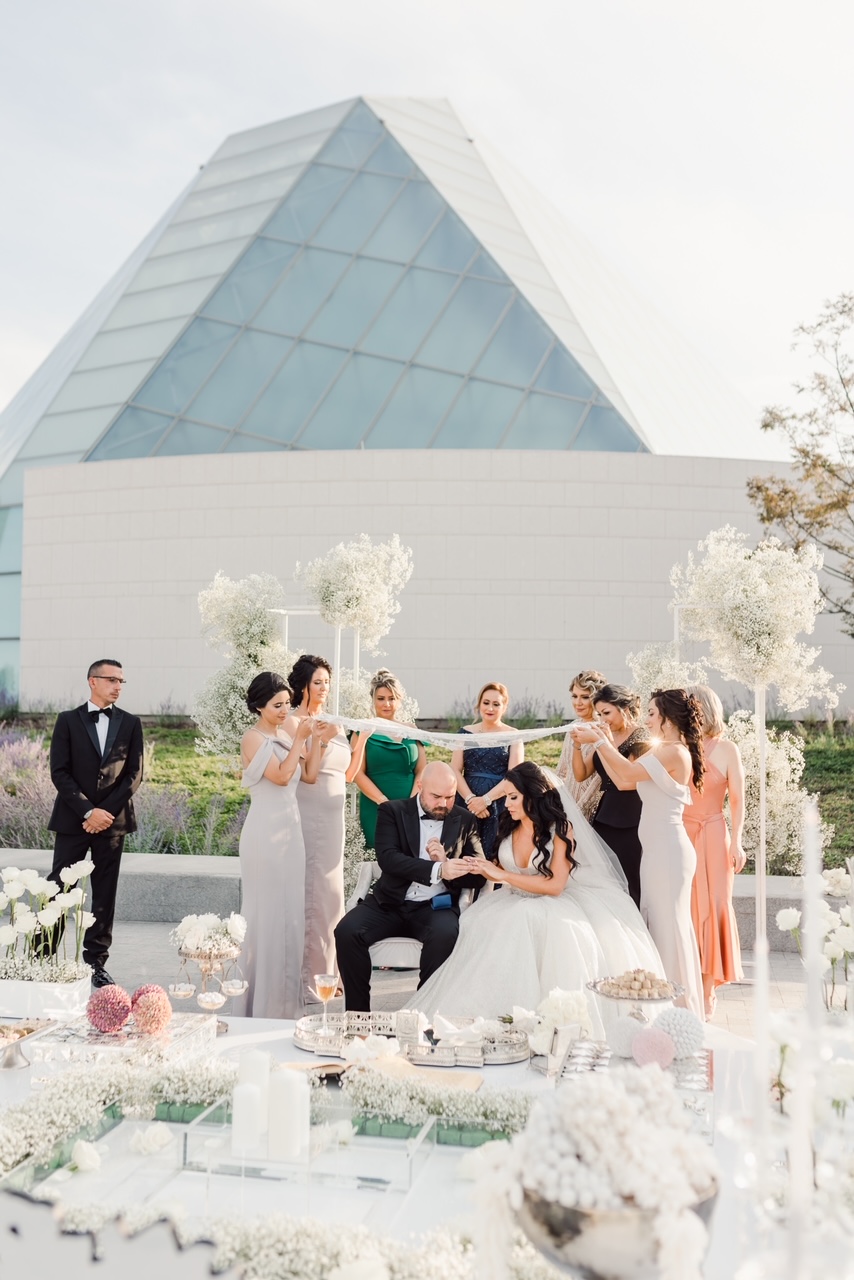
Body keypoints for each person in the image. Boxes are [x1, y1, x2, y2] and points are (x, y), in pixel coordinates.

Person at [409, 762, 664, 1033]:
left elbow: (555, 885)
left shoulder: (561, 830)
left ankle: (536, 1022)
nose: (506, 804)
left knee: (525, 918)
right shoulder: (508, 826)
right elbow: (495, 872)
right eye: (506, 797)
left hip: (553, 903)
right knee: (476, 923)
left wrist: (502, 876)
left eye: (513, 797)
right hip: (511, 900)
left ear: (533, 796)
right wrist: (453, 862)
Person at [576, 689, 704, 1019]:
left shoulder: (674, 752)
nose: (645, 719)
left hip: (668, 853)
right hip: (657, 851)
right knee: (657, 924)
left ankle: (679, 1009)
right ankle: (661, 1002)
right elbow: (622, 780)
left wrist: (601, 740)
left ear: (668, 718)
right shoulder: (666, 751)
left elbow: (629, 773)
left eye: (651, 713)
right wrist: (604, 739)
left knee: (669, 927)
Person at [334, 762, 486, 1012]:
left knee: (445, 935)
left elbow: (478, 875)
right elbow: (388, 858)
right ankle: (358, 1017)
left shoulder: (465, 820)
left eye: (450, 797)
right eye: (436, 796)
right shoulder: (393, 811)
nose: (443, 804)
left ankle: (421, 1016)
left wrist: (446, 863)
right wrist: (436, 870)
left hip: (435, 908)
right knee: (347, 932)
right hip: (388, 903)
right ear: (419, 786)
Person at [48, 659, 144, 988]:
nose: (118, 685)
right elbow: (59, 771)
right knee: (60, 886)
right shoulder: (67, 721)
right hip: (74, 820)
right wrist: (88, 811)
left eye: (122, 681)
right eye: (112, 679)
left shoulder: (131, 723)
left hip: (113, 824)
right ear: (92, 681)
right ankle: (44, 953)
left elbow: (134, 774)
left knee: (104, 894)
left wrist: (104, 813)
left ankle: (96, 964)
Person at [285, 654, 369, 999]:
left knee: (333, 897)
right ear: (302, 685)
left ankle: (329, 975)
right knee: (315, 893)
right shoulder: (294, 722)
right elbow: (310, 773)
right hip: (312, 808)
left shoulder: (330, 720)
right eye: (317, 682)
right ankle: (310, 977)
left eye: (327, 683)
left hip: (335, 816)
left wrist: (359, 739)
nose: (323, 689)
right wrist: (323, 737)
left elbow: (348, 775)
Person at [237, 671, 319, 1020]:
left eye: (288, 703)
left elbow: (310, 776)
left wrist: (319, 741)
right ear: (259, 706)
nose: (285, 710)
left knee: (291, 915)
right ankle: (258, 1002)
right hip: (264, 836)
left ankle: (287, 1003)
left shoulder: (287, 733)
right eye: (278, 705)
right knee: (266, 916)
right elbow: (282, 776)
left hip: (291, 833)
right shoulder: (252, 739)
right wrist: (300, 737)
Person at [684, 684, 745, 1019]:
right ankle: (689, 987)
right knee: (688, 911)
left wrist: (737, 840)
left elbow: (737, 800)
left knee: (717, 907)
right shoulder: (677, 745)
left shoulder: (727, 749)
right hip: (681, 832)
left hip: (714, 832)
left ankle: (708, 991)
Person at [573, 683, 650, 907]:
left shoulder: (641, 737)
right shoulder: (605, 737)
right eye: (599, 714)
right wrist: (577, 746)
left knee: (628, 878)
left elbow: (628, 779)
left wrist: (602, 741)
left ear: (624, 709)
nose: (602, 719)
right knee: (603, 879)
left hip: (630, 816)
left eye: (606, 713)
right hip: (604, 815)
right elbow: (581, 774)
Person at [352, 670, 426, 850]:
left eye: (392, 698)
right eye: (381, 698)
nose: (386, 704)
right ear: (373, 700)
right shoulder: (362, 729)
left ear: (399, 700)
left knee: (409, 855)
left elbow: (422, 770)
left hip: (410, 807)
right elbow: (357, 774)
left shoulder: (411, 729)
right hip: (376, 807)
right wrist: (384, 803)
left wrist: (411, 804)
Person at [450, 681, 523, 857]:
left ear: (504, 707)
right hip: (466, 802)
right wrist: (471, 800)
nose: (490, 708)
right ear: (479, 704)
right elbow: (454, 770)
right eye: (486, 702)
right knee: (463, 850)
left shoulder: (514, 736)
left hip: (499, 803)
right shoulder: (465, 733)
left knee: (493, 853)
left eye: (496, 704)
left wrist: (486, 800)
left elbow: (514, 776)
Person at [556, 669, 607, 820]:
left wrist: (578, 812)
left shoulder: (602, 729)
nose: (578, 702)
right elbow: (562, 770)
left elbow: (597, 782)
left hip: (589, 811)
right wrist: (557, 804)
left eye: (585, 697)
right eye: (574, 696)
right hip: (566, 805)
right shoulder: (573, 725)